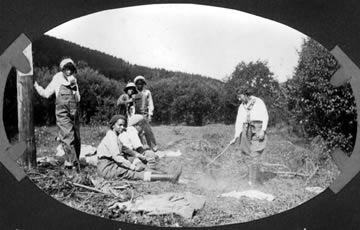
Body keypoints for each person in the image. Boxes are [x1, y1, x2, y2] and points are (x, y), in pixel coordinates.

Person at [97, 115, 181, 182]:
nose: (122, 127)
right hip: (107, 168)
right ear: (113, 126)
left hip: (112, 163)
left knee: (140, 166)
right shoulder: (111, 137)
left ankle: (166, 175)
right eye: (119, 125)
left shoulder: (115, 136)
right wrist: (133, 167)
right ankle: (168, 178)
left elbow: (124, 148)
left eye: (123, 125)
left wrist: (138, 155)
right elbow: (117, 157)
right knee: (132, 173)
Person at [34, 58, 81, 170]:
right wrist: (36, 85)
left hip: (74, 111)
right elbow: (46, 94)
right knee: (68, 137)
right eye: (66, 69)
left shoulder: (73, 79)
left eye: (71, 69)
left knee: (76, 137)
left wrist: (74, 88)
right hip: (62, 111)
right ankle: (73, 166)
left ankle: (73, 161)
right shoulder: (57, 78)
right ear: (62, 69)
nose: (69, 72)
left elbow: (78, 99)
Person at [229, 88, 269, 186]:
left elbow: (265, 116)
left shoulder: (258, 102)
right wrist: (236, 137)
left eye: (240, 96)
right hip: (246, 130)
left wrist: (263, 130)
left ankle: (252, 182)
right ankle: (254, 174)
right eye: (238, 97)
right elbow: (239, 122)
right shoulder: (241, 107)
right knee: (244, 153)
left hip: (257, 128)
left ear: (246, 94)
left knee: (254, 155)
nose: (239, 99)